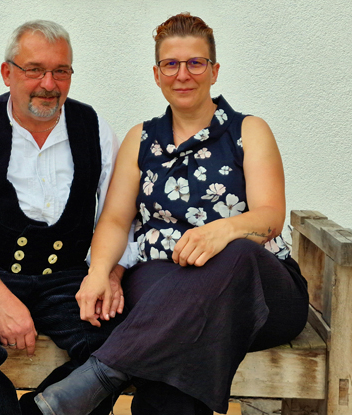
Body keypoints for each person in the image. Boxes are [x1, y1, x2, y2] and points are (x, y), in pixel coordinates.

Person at [33, 13, 310, 415]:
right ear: (157, 74)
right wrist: (98, 274)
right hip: (163, 283)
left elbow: (270, 216)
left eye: (195, 62)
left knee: (235, 254)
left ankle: (103, 374)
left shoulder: (248, 131)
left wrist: (221, 232)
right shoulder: (140, 140)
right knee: (180, 332)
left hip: (257, 294)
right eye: (171, 64)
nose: (183, 74)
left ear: (214, 71)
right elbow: (115, 220)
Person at [0, 20, 136, 415]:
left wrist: (110, 275)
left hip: (69, 278)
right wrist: (0, 298)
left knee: (124, 342)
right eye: (34, 69)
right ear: (8, 73)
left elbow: (120, 217)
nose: (48, 84)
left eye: (61, 71)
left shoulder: (94, 129)